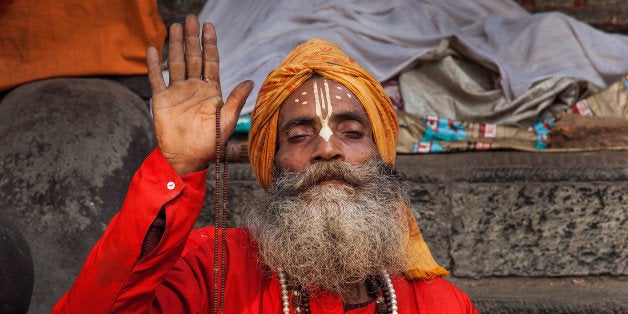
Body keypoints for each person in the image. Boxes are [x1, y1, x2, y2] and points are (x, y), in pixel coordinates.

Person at [53, 15, 477, 313]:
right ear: (270, 167)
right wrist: (175, 168)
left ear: (383, 155)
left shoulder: (442, 304)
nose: (326, 150)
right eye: (298, 136)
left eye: (351, 132)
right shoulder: (211, 268)